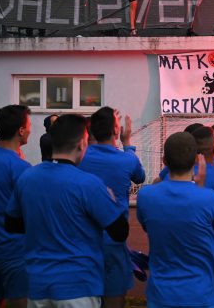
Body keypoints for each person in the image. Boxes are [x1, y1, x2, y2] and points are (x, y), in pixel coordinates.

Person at [5, 114, 128, 307]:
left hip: (38, 287)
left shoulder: (27, 178)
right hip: (78, 289)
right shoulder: (89, 184)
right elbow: (120, 232)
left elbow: (11, 224)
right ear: (81, 144)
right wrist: (111, 199)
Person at [137, 132, 214, 308]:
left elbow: (146, 225)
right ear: (196, 160)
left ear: (164, 160)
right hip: (203, 295)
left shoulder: (146, 197)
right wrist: (201, 190)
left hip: (162, 295)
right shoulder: (211, 199)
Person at [78, 107, 145, 308]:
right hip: (114, 240)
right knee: (114, 295)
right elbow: (140, 177)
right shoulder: (127, 159)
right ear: (116, 131)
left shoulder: (80, 157)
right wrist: (127, 144)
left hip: (83, 240)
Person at [0, 105, 32, 307]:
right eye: (28, 126)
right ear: (20, 131)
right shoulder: (22, 168)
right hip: (16, 253)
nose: (29, 130)